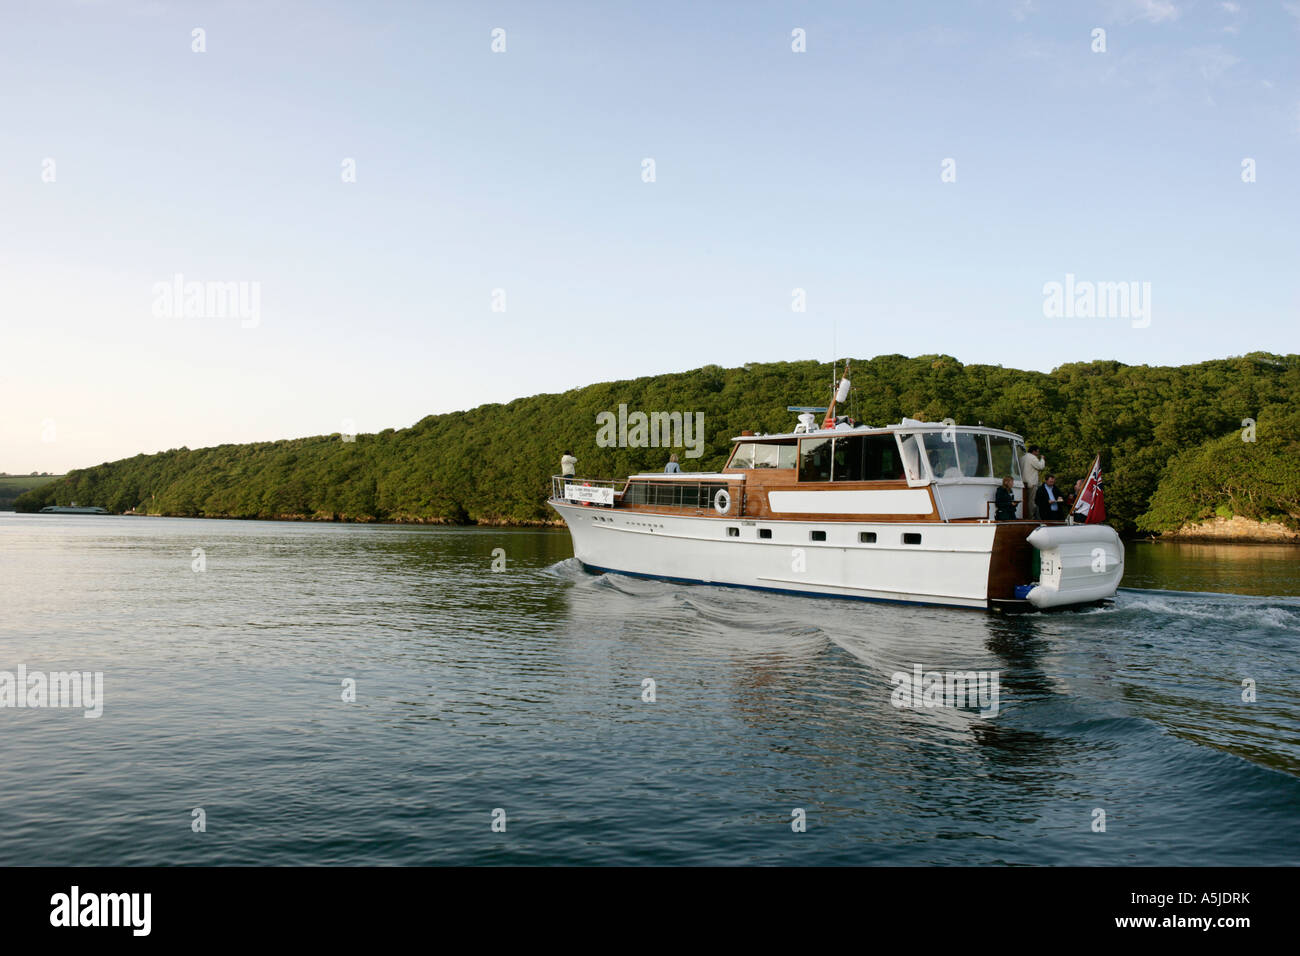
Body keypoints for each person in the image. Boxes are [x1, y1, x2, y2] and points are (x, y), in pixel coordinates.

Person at [1020, 444, 1045, 518]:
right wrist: (1042, 459)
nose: (1038, 454)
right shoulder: (1033, 458)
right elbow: (1040, 466)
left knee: (1024, 501)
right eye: (1037, 452)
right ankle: (1031, 517)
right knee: (1031, 501)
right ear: (1034, 451)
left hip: (1023, 482)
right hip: (1031, 483)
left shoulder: (1022, 458)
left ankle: (1023, 515)